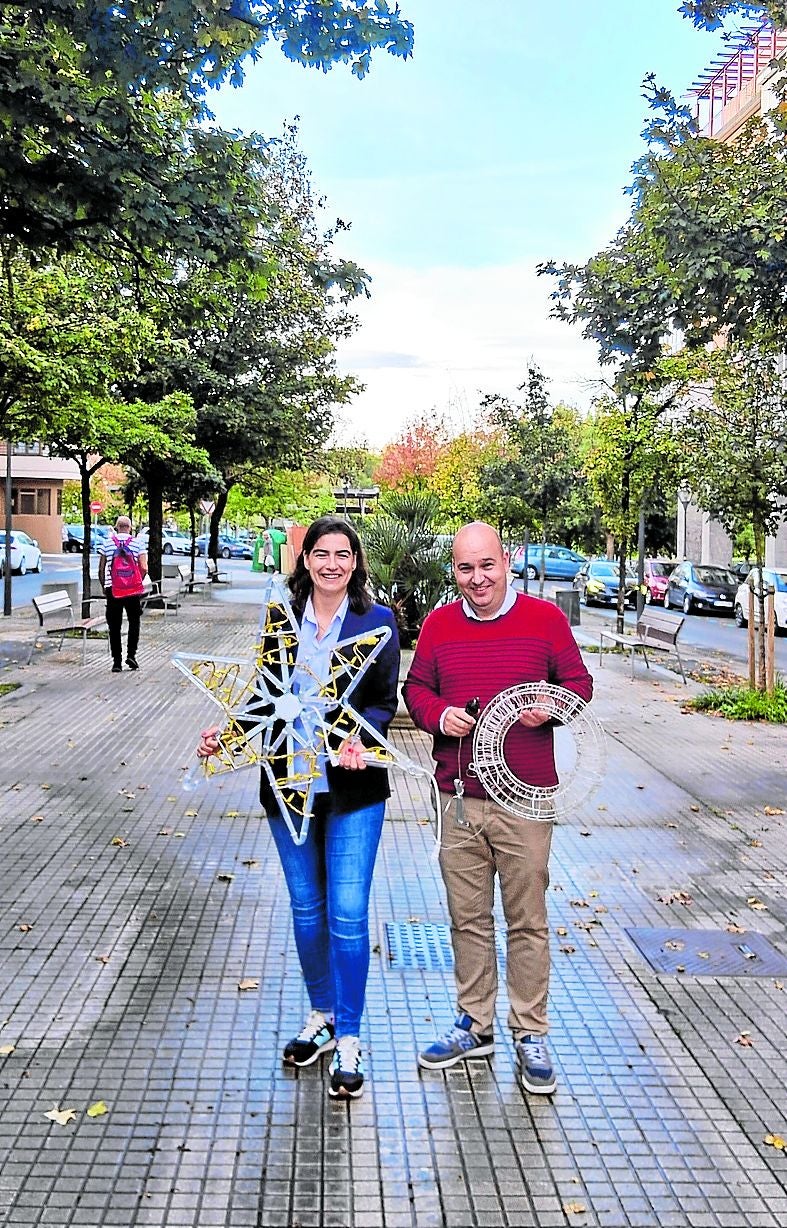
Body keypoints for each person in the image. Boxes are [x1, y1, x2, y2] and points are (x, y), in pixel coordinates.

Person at [196, 516, 400, 1100]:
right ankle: (323, 1016)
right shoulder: (281, 619)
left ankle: (351, 1036)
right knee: (308, 911)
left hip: (354, 789)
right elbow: (266, 698)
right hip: (289, 786)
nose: (333, 564)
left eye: (343, 554)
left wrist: (363, 735)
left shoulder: (378, 621)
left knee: (348, 914)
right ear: (305, 559)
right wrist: (225, 737)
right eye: (322, 553)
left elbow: (384, 702)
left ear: (356, 562)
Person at [403, 522, 593, 1094]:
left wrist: (552, 708)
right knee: (467, 918)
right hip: (458, 797)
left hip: (525, 798)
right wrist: (439, 716)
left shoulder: (545, 620)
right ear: (454, 571)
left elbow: (579, 684)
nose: (477, 578)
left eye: (487, 565)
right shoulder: (439, 625)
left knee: (527, 919)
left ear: (506, 561)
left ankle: (530, 1031)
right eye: (465, 568)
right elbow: (416, 690)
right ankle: (474, 1023)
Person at [97, 516, 147, 673]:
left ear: (116, 527)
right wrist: (137, 581)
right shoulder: (138, 543)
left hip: (113, 589)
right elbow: (144, 567)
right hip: (132, 590)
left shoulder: (107, 543)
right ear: (130, 528)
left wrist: (104, 586)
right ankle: (131, 655)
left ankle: (116, 662)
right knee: (134, 622)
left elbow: (101, 568)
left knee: (114, 625)